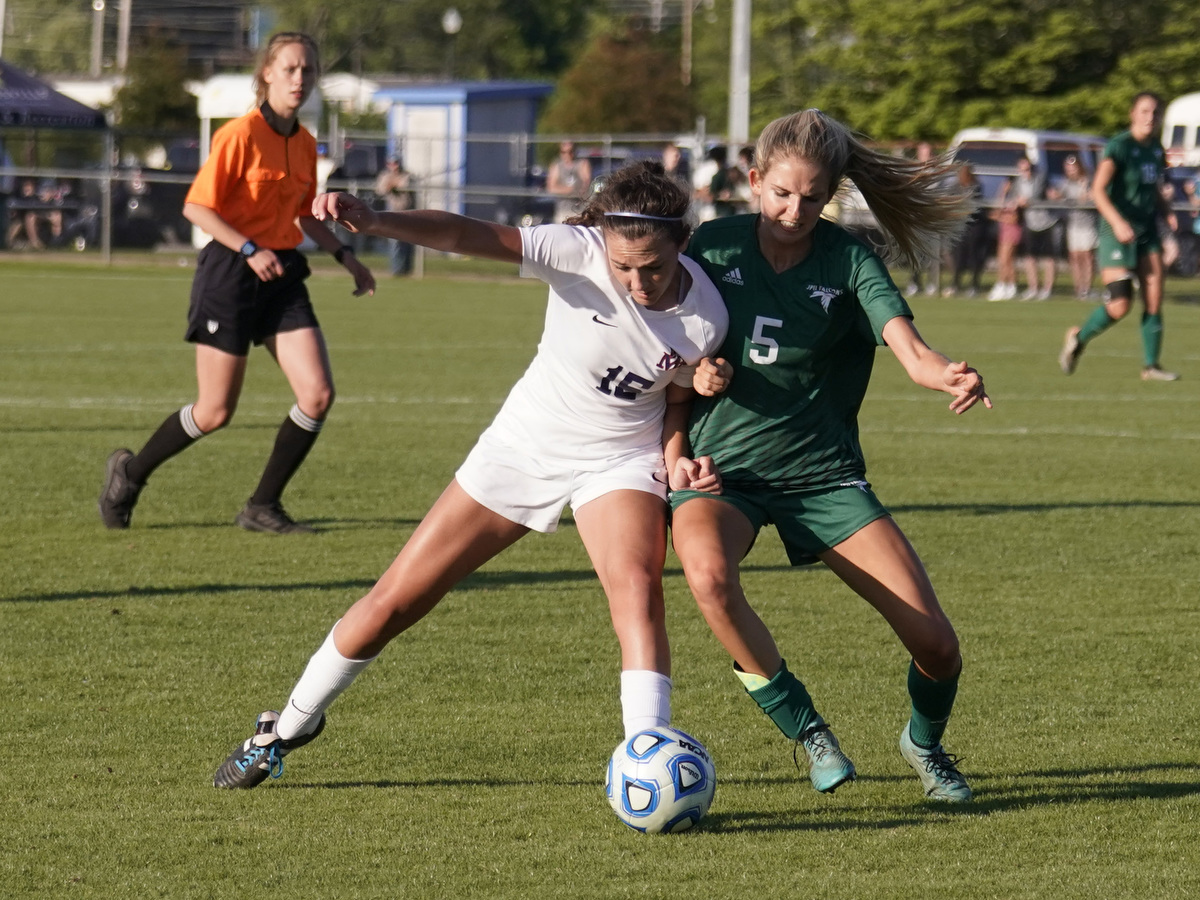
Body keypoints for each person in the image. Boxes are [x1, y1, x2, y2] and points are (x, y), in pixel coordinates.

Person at [211, 160, 729, 789]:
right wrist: (378, 220)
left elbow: (673, 402)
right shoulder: (577, 250)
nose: (637, 281)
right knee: (396, 600)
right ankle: (287, 726)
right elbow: (465, 234)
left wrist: (676, 457)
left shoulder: (708, 315)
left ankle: (648, 756)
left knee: (638, 591)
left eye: (653, 266)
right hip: (524, 445)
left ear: (681, 242)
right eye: (624, 267)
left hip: (618, 458)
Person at [666, 109, 991, 803]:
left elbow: (908, 347)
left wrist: (946, 373)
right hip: (721, 473)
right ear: (755, 182)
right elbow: (663, 342)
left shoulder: (848, 259)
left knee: (937, 645)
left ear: (832, 194)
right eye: (782, 193)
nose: (795, 209)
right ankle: (809, 731)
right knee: (709, 580)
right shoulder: (711, 249)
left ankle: (925, 746)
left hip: (823, 477)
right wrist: (694, 379)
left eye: (813, 198)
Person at [97, 32, 377, 534]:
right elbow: (196, 206)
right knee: (215, 410)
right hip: (230, 273)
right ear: (266, 73)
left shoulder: (306, 143)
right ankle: (130, 473)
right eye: (290, 69)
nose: (300, 79)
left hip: (283, 274)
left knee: (317, 394)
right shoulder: (239, 135)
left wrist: (346, 256)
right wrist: (249, 248)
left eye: (308, 71)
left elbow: (301, 216)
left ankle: (262, 506)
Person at [1060, 92, 1180, 381]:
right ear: (1133, 114)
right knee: (1120, 304)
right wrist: (1116, 222)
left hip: (1146, 231)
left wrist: (1167, 211)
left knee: (1154, 298)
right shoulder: (1120, 146)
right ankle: (1079, 337)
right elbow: (1098, 190)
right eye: (1145, 111)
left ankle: (1151, 366)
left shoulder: (1155, 149)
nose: (1150, 117)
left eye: (1155, 112)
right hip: (1117, 232)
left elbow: (1153, 188)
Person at [1011, 156, 1060, 300]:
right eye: (1022, 169)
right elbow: (1015, 197)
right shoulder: (1018, 182)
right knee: (1029, 257)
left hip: (1046, 221)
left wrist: (1027, 201)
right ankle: (1033, 288)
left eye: (1027, 168)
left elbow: (1038, 194)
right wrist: (1017, 201)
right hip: (1030, 222)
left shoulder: (1040, 178)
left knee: (1049, 257)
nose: (1025, 172)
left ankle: (1047, 289)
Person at [1057, 154, 1098, 299]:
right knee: (1074, 256)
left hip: (1087, 224)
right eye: (1068, 168)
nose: (1070, 171)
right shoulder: (1066, 183)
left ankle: (1087, 288)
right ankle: (1078, 288)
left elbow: (1093, 197)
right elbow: (1059, 196)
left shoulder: (1088, 181)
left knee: (1087, 256)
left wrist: (1086, 194)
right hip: (1073, 223)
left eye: (1073, 168)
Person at [945, 164, 989, 297]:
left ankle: (974, 285)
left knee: (974, 256)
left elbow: (975, 206)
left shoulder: (976, 186)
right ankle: (956, 284)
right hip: (960, 226)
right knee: (958, 257)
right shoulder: (954, 187)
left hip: (974, 226)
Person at [374, 155, 415, 275]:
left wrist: (393, 185)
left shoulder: (407, 175)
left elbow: (403, 187)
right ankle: (396, 269)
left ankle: (407, 269)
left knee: (407, 241)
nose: (394, 166)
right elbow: (381, 189)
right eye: (391, 163)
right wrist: (391, 185)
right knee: (394, 241)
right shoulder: (384, 175)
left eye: (396, 163)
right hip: (391, 212)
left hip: (407, 212)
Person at [546, 140, 592, 223]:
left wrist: (567, 190)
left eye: (570, 151)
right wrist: (570, 190)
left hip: (579, 210)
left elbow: (585, 185)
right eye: (564, 152)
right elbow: (551, 188)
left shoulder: (582, 164)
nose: (567, 155)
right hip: (563, 210)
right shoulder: (557, 166)